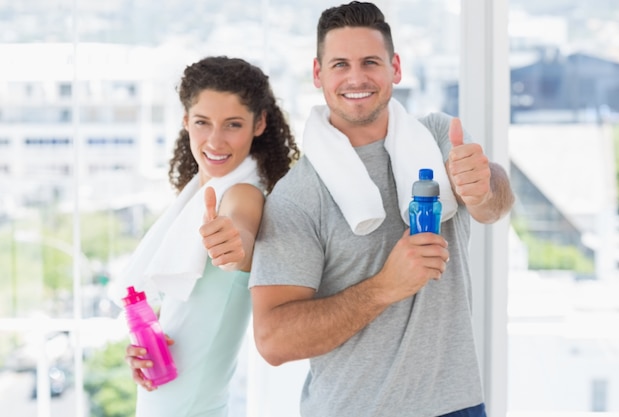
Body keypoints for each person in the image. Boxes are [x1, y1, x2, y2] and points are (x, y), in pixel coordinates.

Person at [249, 2, 515, 417]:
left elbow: (494, 206)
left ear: (395, 68)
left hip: (458, 406)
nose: (356, 78)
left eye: (370, 62)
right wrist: (384, 287)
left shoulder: (440, 137)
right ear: (318, 74)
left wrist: (483, 187)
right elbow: (273, 341)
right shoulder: (298, 196)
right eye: (340, 64)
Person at [119, 55, 299, 417]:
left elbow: (241, 233)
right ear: (186, 121)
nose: (215, 140)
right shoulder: (195, 198)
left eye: (233, 124)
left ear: (259, 123)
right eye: (202, 122)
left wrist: (233, 243)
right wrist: (144, 353)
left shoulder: (242, 193)